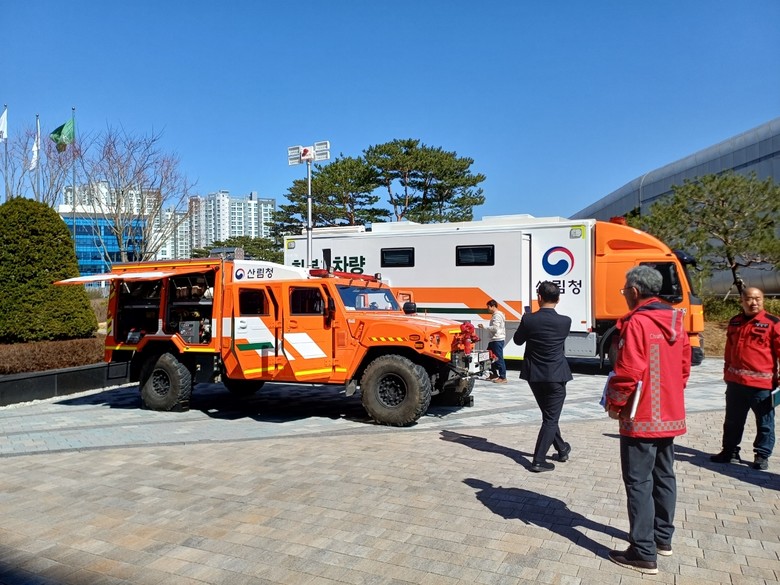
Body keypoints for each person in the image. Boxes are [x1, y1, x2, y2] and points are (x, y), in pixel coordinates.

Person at [604, 266, 690, 575]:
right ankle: (662, 539)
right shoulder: (677, 320)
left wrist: (615, 404)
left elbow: (627, 371)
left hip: (640, 416)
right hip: (668, 413)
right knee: (665, 475)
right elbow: (684, 369)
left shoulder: (637, 322)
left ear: (636, 291)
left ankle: (642, 552)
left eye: (625, 289)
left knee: (639, 482)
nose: (625, 294)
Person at [710, 287, 779, 470]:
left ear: (763, 300)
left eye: (757, 299)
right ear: (742, 300)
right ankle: (730, 451)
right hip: (735, 384)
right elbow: (728, 351)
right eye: (749, 299)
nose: (753, 302)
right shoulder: (735, 322)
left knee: (765, 423)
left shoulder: (773, 323)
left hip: (762, 386)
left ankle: (762, 455)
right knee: (732, 420)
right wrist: (727, 373)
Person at [512, 281, 572, 473]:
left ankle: (562, 449)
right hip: (556, 375)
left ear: (539, 297)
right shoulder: (565, 321)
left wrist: (526, 319)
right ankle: (538, 460)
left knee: (549, 416)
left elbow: (518, 340)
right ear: (559, 299)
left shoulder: (529, 319)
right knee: (550, 419)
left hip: (534, 375)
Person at [478, 299, 507, 383]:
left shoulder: (497, 316)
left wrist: (484, 327)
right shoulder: (497, 314)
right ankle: (493, 373)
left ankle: (503, 377)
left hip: (497, 339)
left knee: (499, 358)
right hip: (494, 339)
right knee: (489, 356)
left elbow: (495, 328)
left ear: (493, 306)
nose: (488, 309)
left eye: (488, 307)